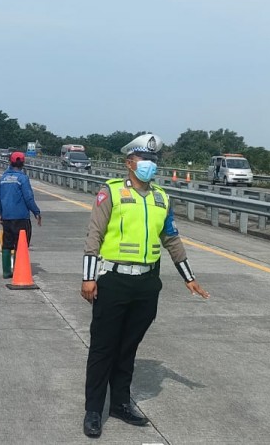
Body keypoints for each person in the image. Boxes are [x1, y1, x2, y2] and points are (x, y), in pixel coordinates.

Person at [79, 134, 210, 438]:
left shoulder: (162, 198)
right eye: (143, 159)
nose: (149, 165)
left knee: (128, 347)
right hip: (113, 281)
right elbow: (93, 236)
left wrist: (188, 277)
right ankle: (94, 410)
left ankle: (120, 404)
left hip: (148, 284)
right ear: (129, 162)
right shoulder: (110, 193)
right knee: (103, 347)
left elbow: (172, 240)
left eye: (153, 160)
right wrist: (88, 277)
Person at [0, 151, 42, 279]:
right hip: (21, 217)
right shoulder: (22, 178)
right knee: (21, 244)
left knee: (7, 244)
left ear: (10, 162)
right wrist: (36, 212)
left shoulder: (3, 178)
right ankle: (17, 269)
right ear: (23, 163)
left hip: (7, 217)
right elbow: (28, 198)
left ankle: (6, 272)